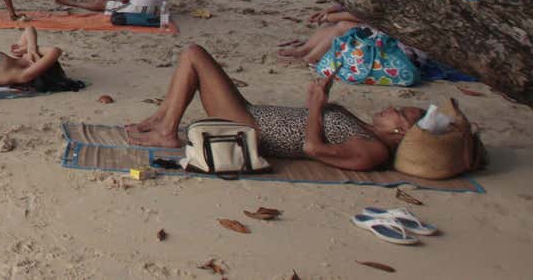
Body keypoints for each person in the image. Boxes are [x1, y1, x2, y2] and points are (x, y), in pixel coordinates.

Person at [126, 44, 422, 170]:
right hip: (254, 115)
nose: (391, 107)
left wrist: (317, 107)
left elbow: (313, 149)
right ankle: (161, 118)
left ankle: (166, 130)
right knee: (193, 56)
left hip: (254, 130)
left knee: (194, 55)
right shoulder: (368, 131)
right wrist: (322, 98)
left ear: (401, 131)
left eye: (400, 111)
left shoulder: (375, 150)